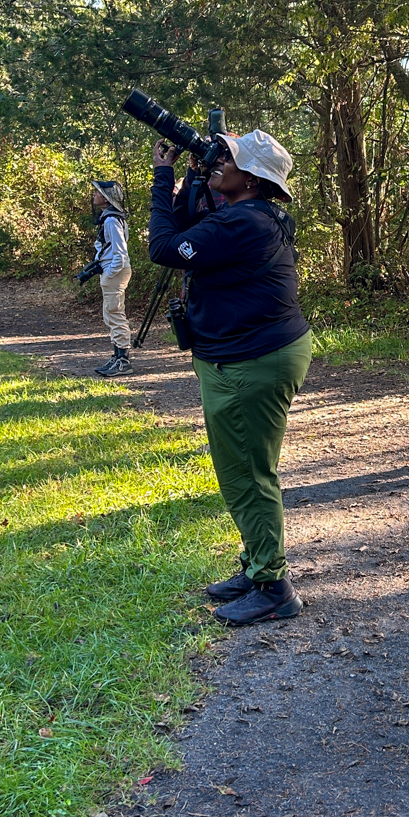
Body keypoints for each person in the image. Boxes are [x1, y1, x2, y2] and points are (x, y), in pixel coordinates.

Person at [148, 127, 312, 626]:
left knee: (248, 474)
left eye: (230, 158)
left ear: (254, 178)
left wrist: (162, 177)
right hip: (248, 354)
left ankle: (274, 588)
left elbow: (164, 247)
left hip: (251, 360)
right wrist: (194, 182)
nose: (218, 161)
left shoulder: (244, 222)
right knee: (242, 469)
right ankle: (256, 564)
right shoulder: (250, 215)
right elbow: (188, 230)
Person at [86, 179, 133, 377]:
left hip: (115, 272)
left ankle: (123, 360)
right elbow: (105, 246)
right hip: (113, 272)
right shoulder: (110, 218)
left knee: (115, 313)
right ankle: (117, 356)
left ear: (106, 198)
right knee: (110, 314)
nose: (94, 195)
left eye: (98, 193)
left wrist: (109, 273)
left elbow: (120, 252)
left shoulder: (112, 220)